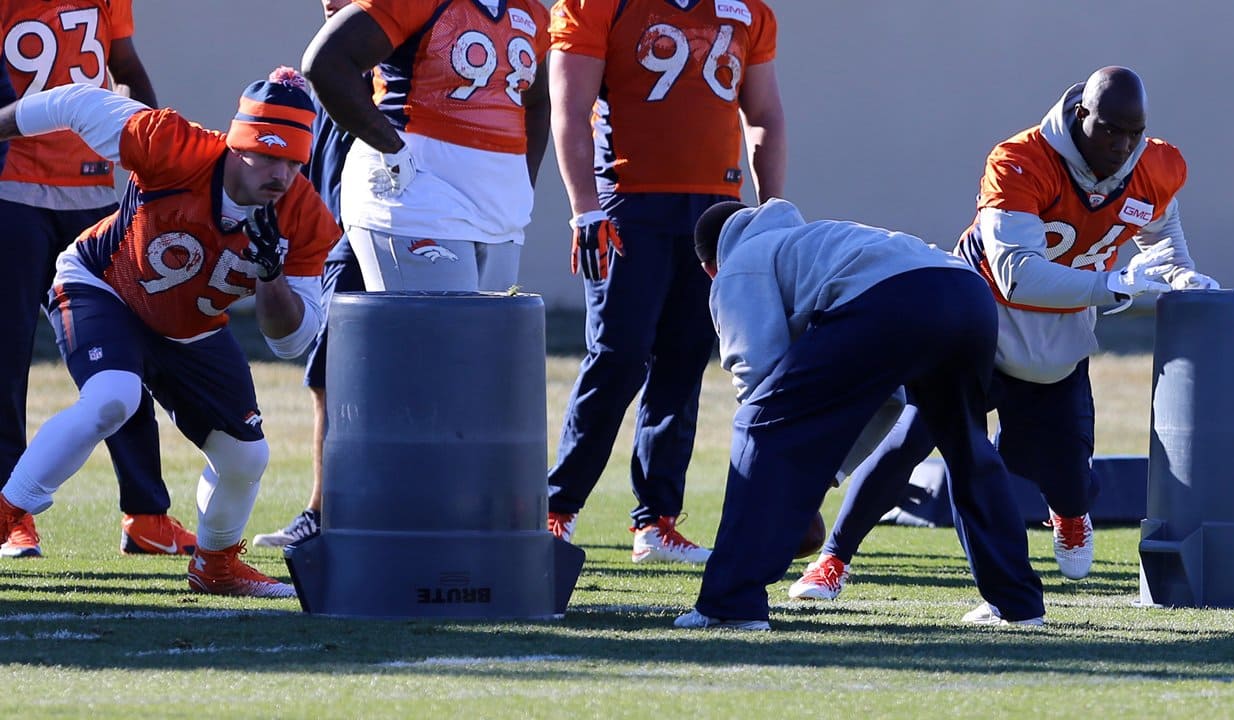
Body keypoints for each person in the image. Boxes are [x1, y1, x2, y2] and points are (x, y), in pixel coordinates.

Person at [788, 66, 1218, 602]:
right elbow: (1018, 275)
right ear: (1081, 115)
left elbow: (1164, 237)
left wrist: (1180, 273)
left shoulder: (1155, 164)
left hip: (1058, 336)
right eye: (1111, 129)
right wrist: (1114, 283)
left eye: (1134, 131)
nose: (1123, 144)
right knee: (913, 436)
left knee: (1066, 472)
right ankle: (833, 559)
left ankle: (1069, 512)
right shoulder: (1021, 160)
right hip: (981, 315)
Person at [0, 67, 341, 596]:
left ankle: (217, 565)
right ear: (236, 145)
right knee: (113, 397)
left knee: (246, 455)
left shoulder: (306, 219)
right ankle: (6, 512)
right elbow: (71, 102)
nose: (279, 175)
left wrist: (272, 277)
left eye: (293, 162)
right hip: (106, 285)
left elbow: (290, 340)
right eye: (267, 156)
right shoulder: (170, 145)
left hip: (190, 327)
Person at [673, 199, 1046, 630]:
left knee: (757, 426)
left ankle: (729, 604)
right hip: (967, 293)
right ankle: (1018, 604)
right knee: (969, 452)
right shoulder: (817, 239)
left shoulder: (738, 264)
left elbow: (759, 382)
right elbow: (882, 397)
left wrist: (794, 488)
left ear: (709, 268)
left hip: (894, 300)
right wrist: (824, 474)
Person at [543, 0, 787, 564]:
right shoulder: (597, 5)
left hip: (715, 209)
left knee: (684, 359)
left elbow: (766, 116)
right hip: (629, 203)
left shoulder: (748, 12)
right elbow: (569, 108)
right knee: (619, 355)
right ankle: (557, 507)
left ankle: (656, 520)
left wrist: (772, 212)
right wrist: (584, 209)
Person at [0, 0, 198, 559]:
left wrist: (156, 165)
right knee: (7, 360)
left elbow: (127, 68)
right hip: (11, 193)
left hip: (92, 198)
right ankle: (10, 512)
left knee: (122, 356)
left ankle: (147, 514)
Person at [301, 0, 551, 293]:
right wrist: (391, 148)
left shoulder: (531, 12)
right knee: (435, 331)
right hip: (419, 194)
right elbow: (325, 62)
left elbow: (536, 101)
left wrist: (522, 182)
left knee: (485, 335)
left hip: (499, 211)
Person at [252, 0, 364, 549]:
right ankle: (324, 512)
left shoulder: (393, 74)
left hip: (373, 240)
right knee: (328, 380)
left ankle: (335, 512)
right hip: (336, 248)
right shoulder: (316, 78)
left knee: (347, 380)